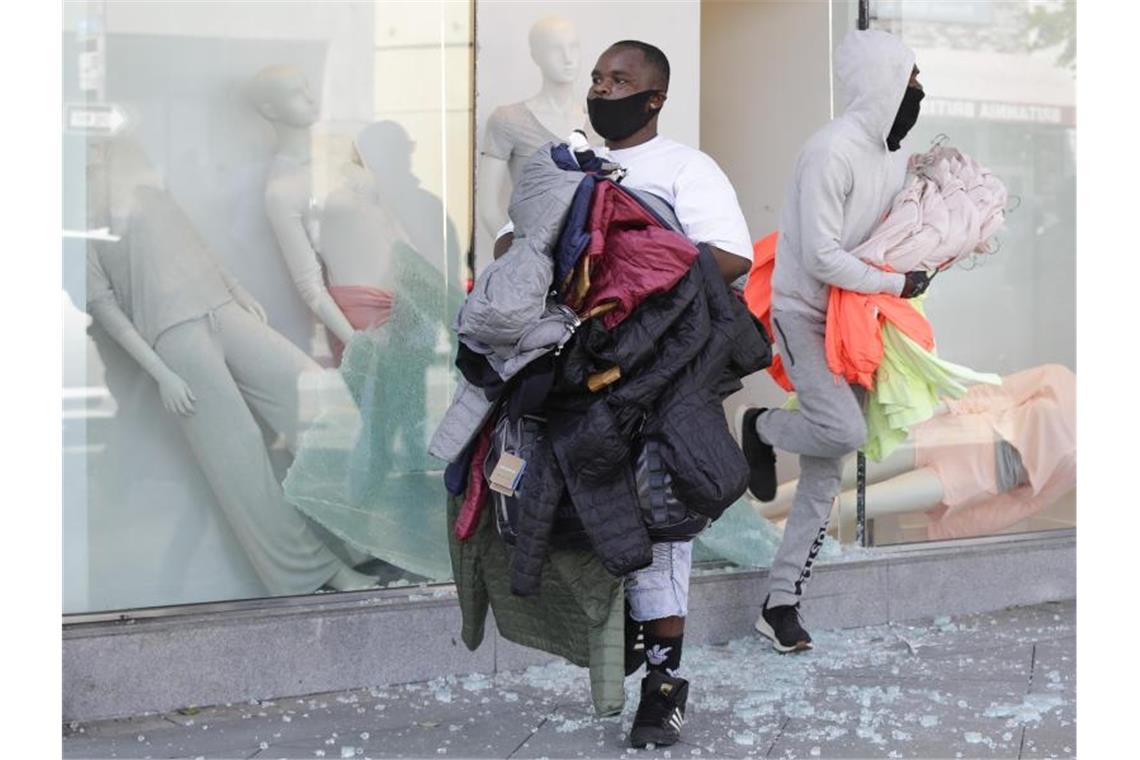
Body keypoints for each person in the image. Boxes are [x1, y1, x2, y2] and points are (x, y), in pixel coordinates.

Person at [493, 40, 752, 749]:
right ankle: (620, 647)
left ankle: (663, 689)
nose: (604, 89)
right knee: (577, 518)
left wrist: (629, 259)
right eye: (600, 79)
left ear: (654, 97)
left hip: (654, 377)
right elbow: (509, 249)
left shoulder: (685, 169)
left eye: (621, 80)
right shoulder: (560, 164)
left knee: (660, 523)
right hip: (570, 374)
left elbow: (731, 257)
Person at [738, 29, 932, 653]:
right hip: (802, 314)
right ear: (882, 86)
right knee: (844, 432)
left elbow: (890, 233)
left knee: (825, 472)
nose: (919, 95)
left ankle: (781, 602)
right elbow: (821, 255)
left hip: (856, 318)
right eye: (910, 83)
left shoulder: (890, 155)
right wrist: (898, 282)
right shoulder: (829, 151)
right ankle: (760, 427)